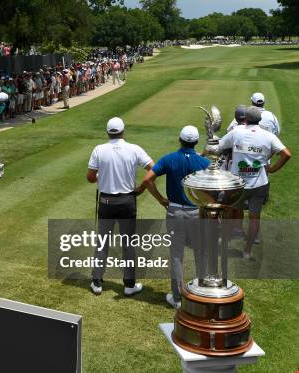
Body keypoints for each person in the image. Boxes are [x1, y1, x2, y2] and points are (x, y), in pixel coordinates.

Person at [138, 125, 210, 309]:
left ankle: (177, 299)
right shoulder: (204, 163)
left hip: (175, 211)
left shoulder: (170, 158)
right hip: (197, 212)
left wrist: (161, 199)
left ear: (180, 139)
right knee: (200, 253)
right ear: (195, 142)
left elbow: (147, 180)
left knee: (177, 256)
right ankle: (201, 294)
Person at [87, 117, 153, 296]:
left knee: (102, 242)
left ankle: (97, 282)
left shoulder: (99, 150)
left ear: (108, 132)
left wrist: (101, 176)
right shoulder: (134, 149)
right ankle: (129, 284)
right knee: (129, 244)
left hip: (106, 202)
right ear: (123, 131)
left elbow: (90, 177)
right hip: (127, 202)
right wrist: (141, 188)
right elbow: (152, 168)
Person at [216, 106, 291, 259]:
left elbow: (219, 147)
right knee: (255, 218)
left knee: (229, 214)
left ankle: (226, 243)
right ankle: (247, 251)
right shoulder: (268, 136)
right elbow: (286, 154)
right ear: (259, 120)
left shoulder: (236, 132)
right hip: (260, 183)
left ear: (245, 119)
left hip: (238, 184)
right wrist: (272, 169)